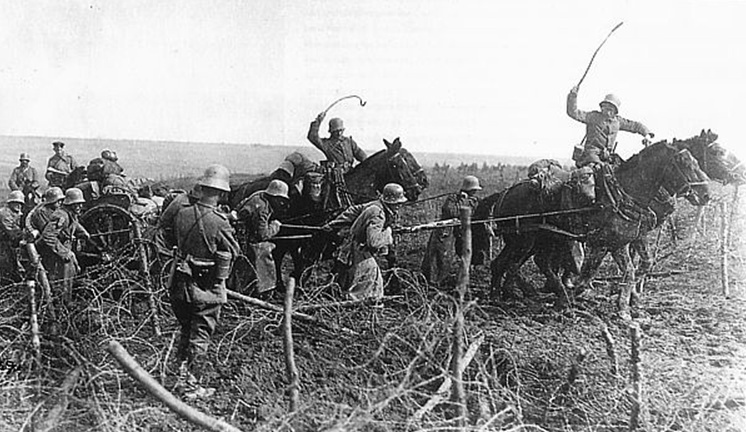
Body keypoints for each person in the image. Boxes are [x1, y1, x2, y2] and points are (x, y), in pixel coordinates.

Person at [167, 164, 240, 399]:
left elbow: (171, 238)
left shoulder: (182, 213)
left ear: (203, 187)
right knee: (201, 335)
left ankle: (180, 376)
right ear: (222, 193)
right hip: (204, 288)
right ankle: (191, 387)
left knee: (186, 330)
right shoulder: (220, 221)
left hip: (178, 284)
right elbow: (233, 252)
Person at [325, 183, 406, 301]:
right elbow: (373, 242)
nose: (399, 205)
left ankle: (340, 299)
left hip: (349, 247)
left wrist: (333, 224)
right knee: (371, 282)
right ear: (390, 201)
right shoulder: (378, 214)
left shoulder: (376, 204)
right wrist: (388, 234)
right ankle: (357, 308)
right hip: (359, 250)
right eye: (397, 203)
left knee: (347, 280)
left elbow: (352, 211)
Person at [567, 85, 654, 167]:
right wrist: (573, 96)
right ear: (602, 108)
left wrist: (647, 134)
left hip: (607, 156)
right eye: (605, 108)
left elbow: (635, 125)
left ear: (615, 111)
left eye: (611, 110)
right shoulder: (593, 117)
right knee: (595, 172)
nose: (608, 112)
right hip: (591, 155)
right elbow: (573, 112)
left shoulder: (618, 121)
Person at [421, 175, 482, 285]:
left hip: (461, 231)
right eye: (473, 190)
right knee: (440, 256)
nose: (475, 192)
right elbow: (450, 211)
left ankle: (448, 279)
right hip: (445, 231)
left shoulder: (475, 201)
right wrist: (463, 201)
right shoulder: (453, 198)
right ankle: (432, 282)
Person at [235, 179, 290, 297]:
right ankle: (265, 289)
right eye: (280, 200)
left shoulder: (258, 195)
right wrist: (275, 226)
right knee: (265, 251)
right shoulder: (262, 209)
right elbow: (262, 235)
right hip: (245, 239)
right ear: (274, 197)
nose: (281, 203)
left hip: (239, 232)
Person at [37, 188, 90, 299]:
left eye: (81, 204)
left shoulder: (71, 214)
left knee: (71, 274)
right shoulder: (61, 216)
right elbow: (48, 236)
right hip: (52, 251)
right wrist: (64, 252)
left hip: (63, 248)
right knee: (63, 279)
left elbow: (74, 223)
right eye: (77, 204)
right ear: (70, 204)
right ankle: (63, 305)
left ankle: (64, 300)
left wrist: (84, 233)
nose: (80, 206)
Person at [0, 191, 26, 283]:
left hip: (8, 244)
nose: (19, 206)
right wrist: (24, 234)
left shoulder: (15, 212)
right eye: (16, 203)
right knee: (6, 267)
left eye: (20, 203)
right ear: (10, 202)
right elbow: (11, 231)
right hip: (3, 244)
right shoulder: (4, 213)